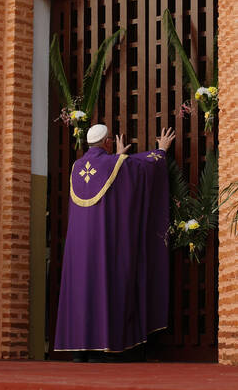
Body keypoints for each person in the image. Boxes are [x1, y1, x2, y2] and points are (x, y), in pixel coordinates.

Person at [54, 125, 175, 361]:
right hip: (104, 246)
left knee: (82, 290)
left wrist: (118, 157)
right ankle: (105, 346)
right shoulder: (115, 164)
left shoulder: (76, 167)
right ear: (107, 142)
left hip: (78, 250)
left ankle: (79, 350)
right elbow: (142, 168)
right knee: (105, 286)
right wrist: (160, 150)